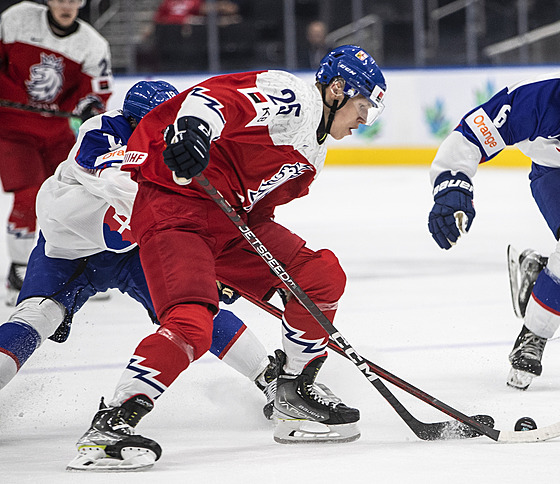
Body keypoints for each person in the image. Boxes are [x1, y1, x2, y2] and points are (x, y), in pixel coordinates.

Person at [69, 44, 387, 470]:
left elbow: (260, 209)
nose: (365, 120)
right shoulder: (291, 96)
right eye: (363, 106)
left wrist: (240, 270)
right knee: (192, 324)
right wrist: (194, 132)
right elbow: (212, 98)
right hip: (174, 207)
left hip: (230, 222)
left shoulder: (315, 152)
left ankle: (292, 394)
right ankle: (110, 425)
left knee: (319, 275)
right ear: (336, 90)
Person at [0, 80, 283, 429]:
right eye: (159, 121)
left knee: (195, 308)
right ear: (134, 121)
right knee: (37, 318)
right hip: (70, 247)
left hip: (133, 248)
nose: (166, 130)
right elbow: (118, 182)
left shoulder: (175, 144)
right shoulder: (103, 131)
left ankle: (270, 377)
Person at [427, 72, 560, 391]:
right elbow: (472, 133)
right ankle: (534, 335)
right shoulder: (541, 100)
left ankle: (540, 275)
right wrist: (451, 183)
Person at [0, 0, 113, 305]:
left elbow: (97, 90)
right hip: (11, 129)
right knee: (29, 194)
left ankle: (78, 270)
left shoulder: (92, 44)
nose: (67, 5)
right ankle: (20, 273)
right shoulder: (16, 19)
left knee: (75, 194)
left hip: (56, 133)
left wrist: (89, 106)